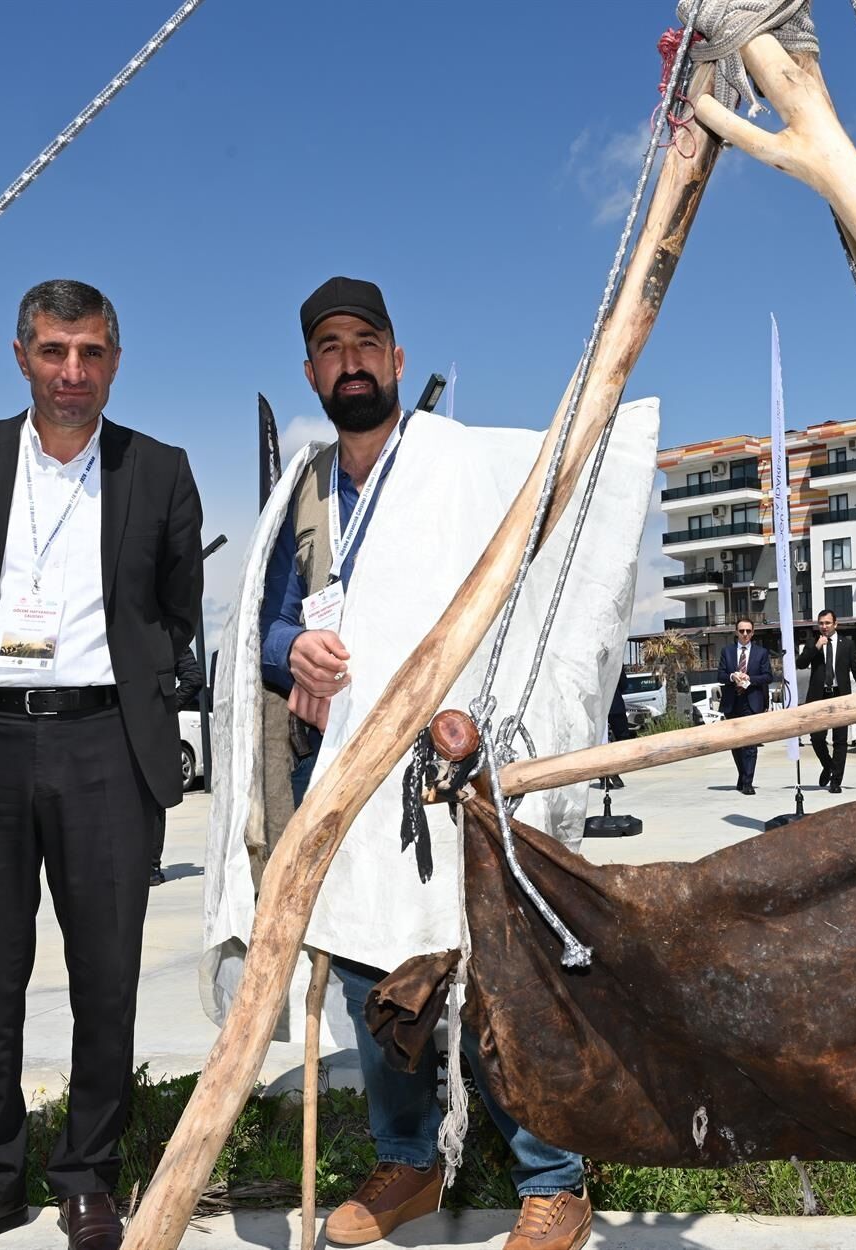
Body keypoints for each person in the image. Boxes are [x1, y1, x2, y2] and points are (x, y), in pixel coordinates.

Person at [259, 278, 592, 1250]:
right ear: (313, 371)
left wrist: (483, 707)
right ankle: (410, 1157)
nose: (351, 358)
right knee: (374, 970)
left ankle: (554, 1177)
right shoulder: (307, 495)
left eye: (368, 341)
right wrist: (292, 652)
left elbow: (538, 571)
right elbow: (273, 623)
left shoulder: (460, 465)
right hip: (355, 770)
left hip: (460, 760)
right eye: (330, 346)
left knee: (491, 971)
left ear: (398, 360)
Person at [0, 280, 203, 1250]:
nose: (72, 372)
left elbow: (177, 607)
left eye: (91, 352)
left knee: (106, 976)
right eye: (54, 351)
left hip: (105, 744)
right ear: (20, 354)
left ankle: (89, 1175)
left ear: (115, 360)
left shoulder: (161, 469)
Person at [149, 645, 206, 886]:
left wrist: (166, 709)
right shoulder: (169, 636)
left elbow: (193, 678)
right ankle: (151, 867)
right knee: (153, 799)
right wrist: (165, 708)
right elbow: (193, 678)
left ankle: (146, 866)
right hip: (157, 725)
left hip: (137, 726)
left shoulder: (165, 637)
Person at [796, 609, 856, 794]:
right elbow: (801, 663)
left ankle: (836, 781)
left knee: (840, 740)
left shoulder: (847, 644)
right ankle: (828, 766)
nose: (824, 626)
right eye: (821, 623)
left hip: (840, 695)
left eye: (827, 623)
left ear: (835, 624)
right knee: (817, 738)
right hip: (818, 696)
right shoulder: (813, 642)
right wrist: (816, 647)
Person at [717, 618, 771, 794]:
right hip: (733, 702)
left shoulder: (761, 653)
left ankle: (748, 782)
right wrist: (732, 677)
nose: (745, 634)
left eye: (748, 631)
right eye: (742, 631)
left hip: (752, 701)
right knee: (736, 744)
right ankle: (742, 775)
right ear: (736, 632)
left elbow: (768, 676)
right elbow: (720, 675)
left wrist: (750, 679)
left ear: (753, 632)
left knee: (750, 744)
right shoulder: (727, 652)